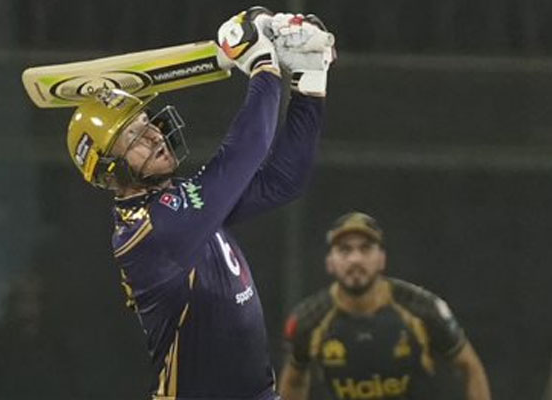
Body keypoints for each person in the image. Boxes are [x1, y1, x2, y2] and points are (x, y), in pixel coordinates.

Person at [63, 7, 335, 400]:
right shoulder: (153, 230)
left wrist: (309, 80)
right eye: (134, 137)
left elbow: (282, 182)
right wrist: (261, 65)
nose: (155, 135)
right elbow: (245, 152)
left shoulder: (180, 202)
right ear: (111, 170)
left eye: (148, 123)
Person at [278, 212, 492, 400]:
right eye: (345, 250)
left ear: (382, 259)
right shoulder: (309, 319)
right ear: (330, 262)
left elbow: (470, 367)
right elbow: (294, 382)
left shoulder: (421, 309)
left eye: (365, 249)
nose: (355, 259)